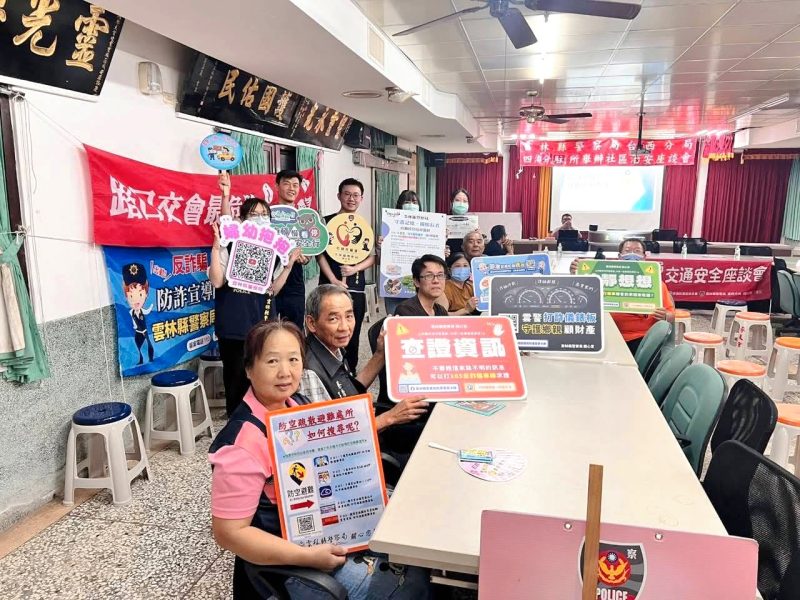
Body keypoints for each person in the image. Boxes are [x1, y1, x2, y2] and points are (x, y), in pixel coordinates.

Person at [209, 321, 432, 599]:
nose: (285, 372)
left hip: (335, 526)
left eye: (293, 360)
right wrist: (309, 557)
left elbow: (337, 448)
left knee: (420, 552)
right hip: (292, 564)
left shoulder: (298, 405)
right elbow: (229, 533)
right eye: (272, 361)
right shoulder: (242, 444)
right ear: (248, 368)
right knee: (408, 587)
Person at [209, 192, 305, 416]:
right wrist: (215, 248)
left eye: (264, 214)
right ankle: (236, 424)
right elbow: (217, 281)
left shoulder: (275, 250)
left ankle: (262, 421)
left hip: (262, 327)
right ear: (242, 219)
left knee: (264, 379)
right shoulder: (230, 245)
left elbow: (273, 290)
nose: (260, 218)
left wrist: (288, 265)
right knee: (235, 380)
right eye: (254, 214)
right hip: (233, 326)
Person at [302, 284, 429, 430]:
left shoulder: (331, 348)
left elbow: (349, 390)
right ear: (312, 323)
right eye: (333, 319)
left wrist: (380, 353)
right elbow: (327, 434)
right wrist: (391, 417)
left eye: (349, 316)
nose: (344, 327)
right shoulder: (309, 372)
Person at [571, 238, 673, 355]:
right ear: (619, 256)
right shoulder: (603, 278)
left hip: (642, 338)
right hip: (605, 334)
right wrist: (576, 273)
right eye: (627, 251)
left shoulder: (655, 283)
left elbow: (671, 315)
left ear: (644, 257)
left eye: (637, 251)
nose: (632, 255)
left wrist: (665, 315)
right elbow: (581, 295)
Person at [317, 178, 374, 373]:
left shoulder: (364, 226)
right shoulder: (326, 222)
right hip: (329, 287)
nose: (351, 199)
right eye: (347, 194)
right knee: (328, 330)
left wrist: (354, 269)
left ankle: (350, 372)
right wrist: (333, 279)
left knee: (352, 332)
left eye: (356, 195)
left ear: (361, 199)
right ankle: (327, 372)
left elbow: (372, 258)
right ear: (339, 196)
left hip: (355, 289)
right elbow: (319, 255)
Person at [271, 170, 311, 330]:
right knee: (266, 329)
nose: (291, 188)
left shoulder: (304, 217)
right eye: (286, 184)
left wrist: (306, 258)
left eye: (295, 185)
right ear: (277, 186)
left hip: (294, 282)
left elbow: (309, 249)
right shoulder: (267, 215)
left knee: (295, 329)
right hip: (270, 280)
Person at [121, 263, 154, 365]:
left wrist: (151, 306)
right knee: (137, 346)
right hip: (137, 332)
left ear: (146, 293)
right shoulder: (131, 312)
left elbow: (147, 311)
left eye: (140, 294)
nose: (135, 299)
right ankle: (140, 360)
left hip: (144, 331)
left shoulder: (143, 311)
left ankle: (151, 359)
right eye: (131, 296)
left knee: (149, 344)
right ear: (126, 296)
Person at [446, 188, 471, 255]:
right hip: (448, 257)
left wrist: (477, 236)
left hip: (466, 258)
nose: (461, 204)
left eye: (465, 201)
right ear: (451, 203)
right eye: (457, 200)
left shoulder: (472, 223)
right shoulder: (443, 221)